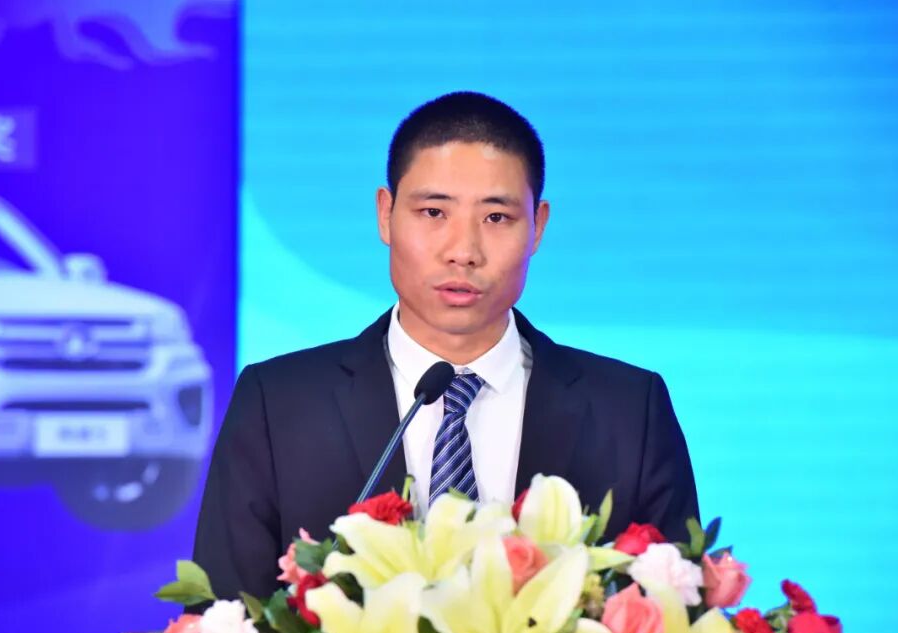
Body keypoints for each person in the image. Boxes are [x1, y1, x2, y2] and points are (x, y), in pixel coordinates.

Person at [193, 91, 699, 600]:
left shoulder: (629, 412)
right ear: (386, 214)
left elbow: (677, 617)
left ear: (538, 227)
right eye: (434, 212)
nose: (463, 251)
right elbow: (224, 617)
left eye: (496, 218)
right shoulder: (279, 404)